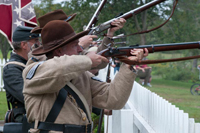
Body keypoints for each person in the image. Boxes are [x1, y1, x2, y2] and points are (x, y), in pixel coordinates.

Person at [22, 20, 148, 133]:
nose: (80, 49)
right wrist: (87, 60)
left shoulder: (80, 74)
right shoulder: (34, 71)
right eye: (75, 45)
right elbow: (58, 69)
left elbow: (113, 99)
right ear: (59, 51)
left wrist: (128, 66)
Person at [3, 26, 40, 123]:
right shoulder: (11, 69)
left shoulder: (31, 63)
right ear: (24, 45)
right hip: (25, 121)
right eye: (36, 41)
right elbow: (26, 96)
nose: (39, 44)